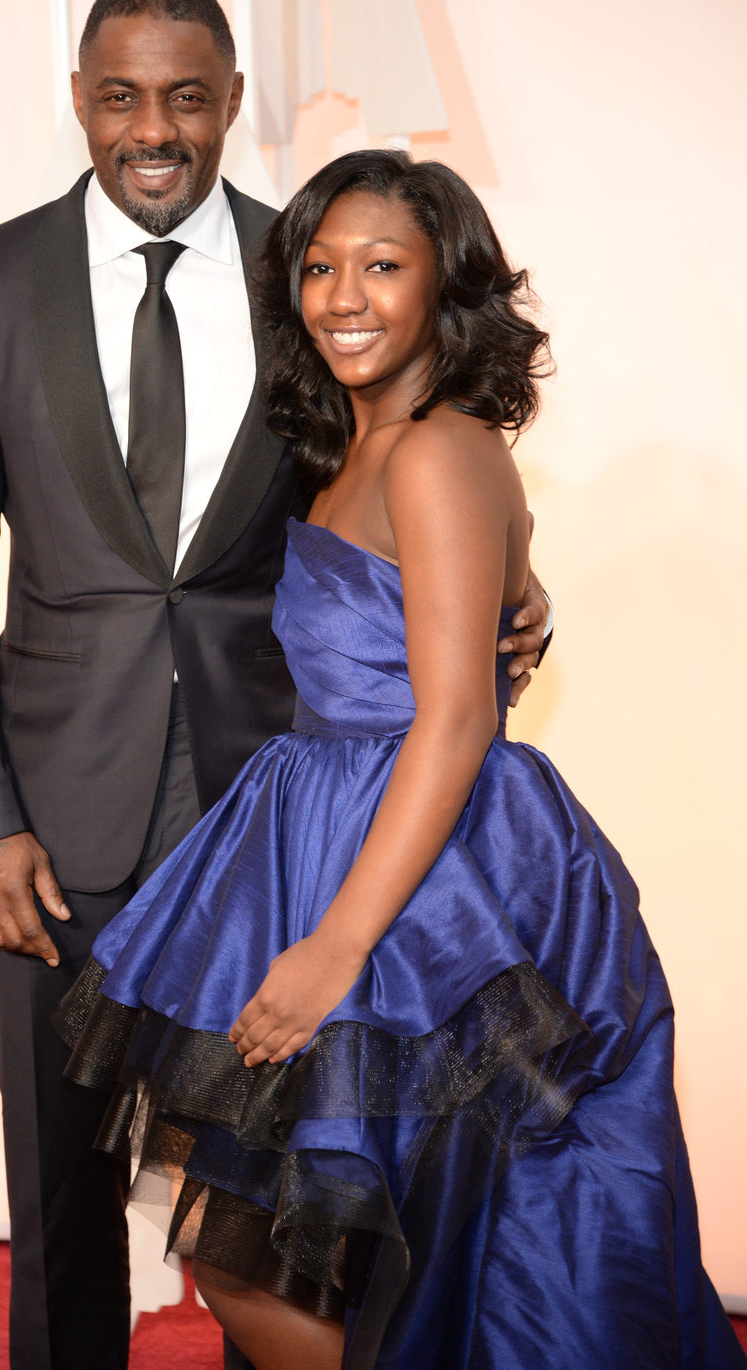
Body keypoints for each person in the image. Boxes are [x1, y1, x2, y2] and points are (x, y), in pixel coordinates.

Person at [0, 0, 552, 1370]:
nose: (155, 127)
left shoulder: (307, 273)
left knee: (280, 1213)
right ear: (80, 102)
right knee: (60, 1193)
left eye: (188, 98)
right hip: (50, 829)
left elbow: (409, 472)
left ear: (231, 104)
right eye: (123, 96)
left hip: (274, 824)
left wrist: (514, 569)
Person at [56, 149, 746, 1370]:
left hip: (431, 884)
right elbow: (483, 624)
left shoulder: (434, 449)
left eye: (383, 265)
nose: (344, 296)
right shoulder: (363, 452)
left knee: (435, 1241)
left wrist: (337, 947)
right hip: (339, 837)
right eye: (320, 267)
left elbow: (456, 716)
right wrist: (517, 609)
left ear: (446, 285)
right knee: (318, 1246)